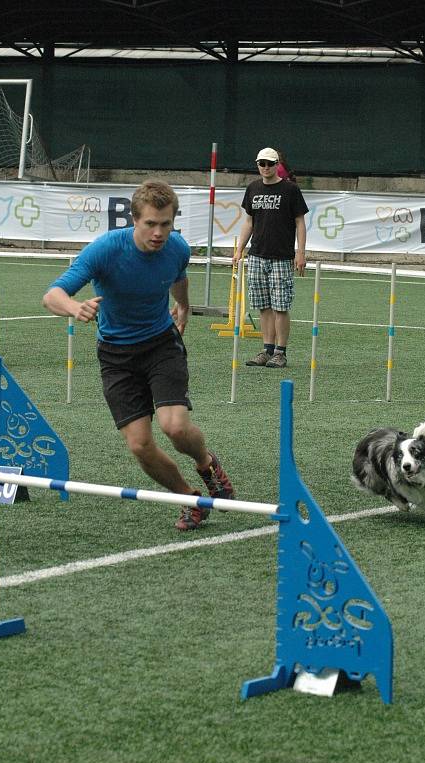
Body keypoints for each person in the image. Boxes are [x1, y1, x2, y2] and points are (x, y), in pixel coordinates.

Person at [43, 180, 234, 532]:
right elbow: (52, 294)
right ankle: (188, 498)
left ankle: (206, 463)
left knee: (175, 427)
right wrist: (74, 306)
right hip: (116, 355)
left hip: (161, 344)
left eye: (166, 223)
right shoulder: (105, 251)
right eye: (150, 224)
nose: (159, 233)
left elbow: (178, 277)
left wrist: (184, 306)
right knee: (140, 444)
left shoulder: (177, 248)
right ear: (134, 220)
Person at [234, 147, 308, 369]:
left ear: (277, 165)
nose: (265, 167)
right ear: (257, 164)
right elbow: (249, 222)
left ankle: (280, 352)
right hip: (257, 255)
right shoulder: (253, 188)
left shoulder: (290, 190)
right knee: (263, 306)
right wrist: (240, 249)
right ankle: (267, 349)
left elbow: (300, 223)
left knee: (281, 306)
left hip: (282, 257)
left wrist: (300, 252)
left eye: (269, 163)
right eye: (261, 163)